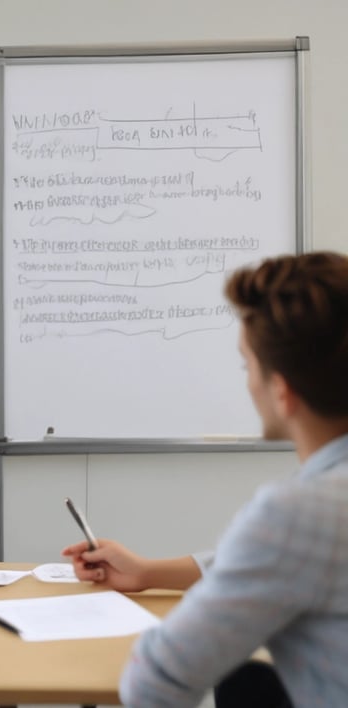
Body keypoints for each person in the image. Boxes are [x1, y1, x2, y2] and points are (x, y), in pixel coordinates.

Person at [62, 252, 348, 707]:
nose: (247, 382)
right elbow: (285, 561)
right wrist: (149, 571)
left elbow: (155, 682)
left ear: (282, 390)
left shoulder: (300, 512)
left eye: (246, 365)